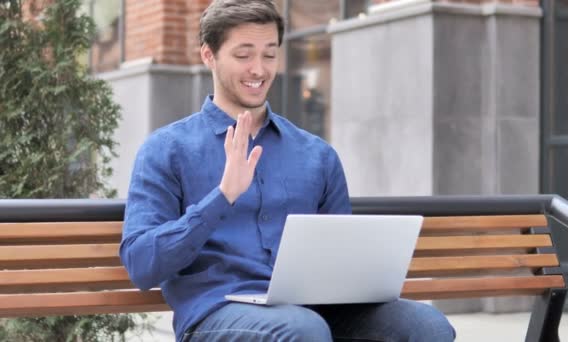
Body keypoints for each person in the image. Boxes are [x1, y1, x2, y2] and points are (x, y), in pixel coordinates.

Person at [120, 1, 455, 341]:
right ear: (209, 55)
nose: (259, 69)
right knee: (303, 330)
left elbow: (341, 255)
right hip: (216, 314)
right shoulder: (166, 149)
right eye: (243, 55)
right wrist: (222, 197)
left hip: (314, 312)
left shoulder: (317, 155)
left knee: (427, 326)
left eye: (269, 54)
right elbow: (142, 265)